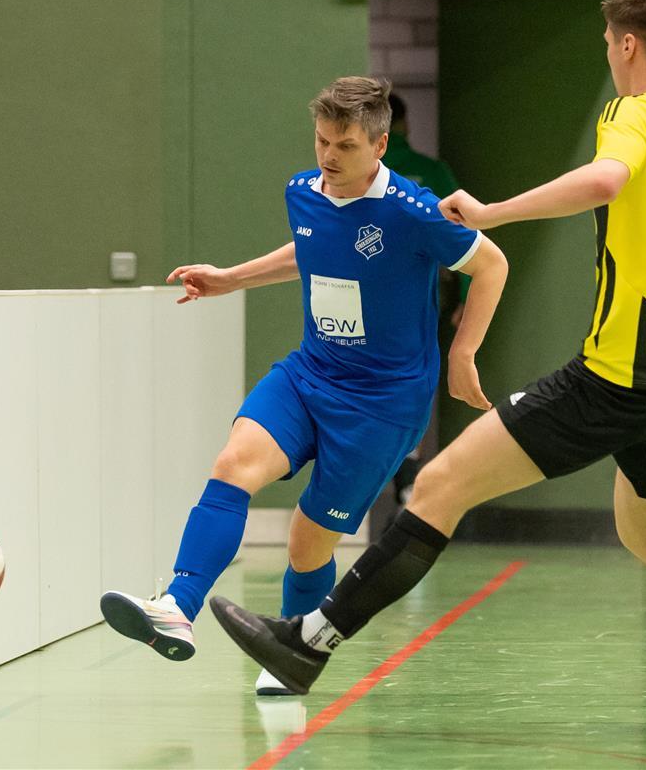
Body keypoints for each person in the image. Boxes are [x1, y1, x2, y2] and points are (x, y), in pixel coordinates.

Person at [211, 0, 646, 730]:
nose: (609, 54)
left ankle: (308, 643)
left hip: (613, 376)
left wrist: (495, 210)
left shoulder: (631, 114)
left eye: (607, 44)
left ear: (627, 45)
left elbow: (606, 179)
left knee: (437, 486)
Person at [99, 76, 508, 696]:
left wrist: (463, 353)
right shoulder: (302, 191)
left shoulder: (412, 210)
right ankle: (176, 607)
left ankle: (292, 654)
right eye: (321, 141)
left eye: (343, 145)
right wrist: (229, 278)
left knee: (307, 542)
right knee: (234, 462)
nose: (328, 156)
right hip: (310, 373)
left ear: (379, 143)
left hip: (383, 404)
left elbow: (492, 264)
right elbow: (313, 251)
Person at [382, 93, 465, 511]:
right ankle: (409, 479)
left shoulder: (361, 175)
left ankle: (400, 473)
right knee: (413, 383)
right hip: (420, 300)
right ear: (405, 125)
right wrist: (464, 299)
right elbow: (467, 238)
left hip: (365, 301)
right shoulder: (432, 173)